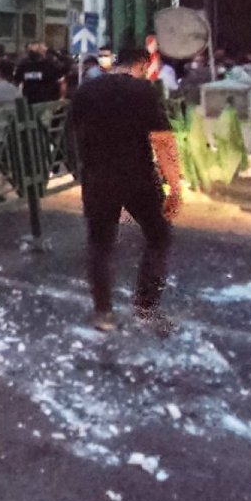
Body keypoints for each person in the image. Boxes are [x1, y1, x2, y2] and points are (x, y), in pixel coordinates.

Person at [69, 47, 183, 334]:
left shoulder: (86, 90)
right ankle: (146, 309)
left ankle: (103, 313)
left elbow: (69, 134)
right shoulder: (143, 91)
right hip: (139, 177)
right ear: (142, 65)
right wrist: (174, 186)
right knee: (158, 237)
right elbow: (163, 140)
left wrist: (83, 169)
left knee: (100, 244)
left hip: (98, 177)